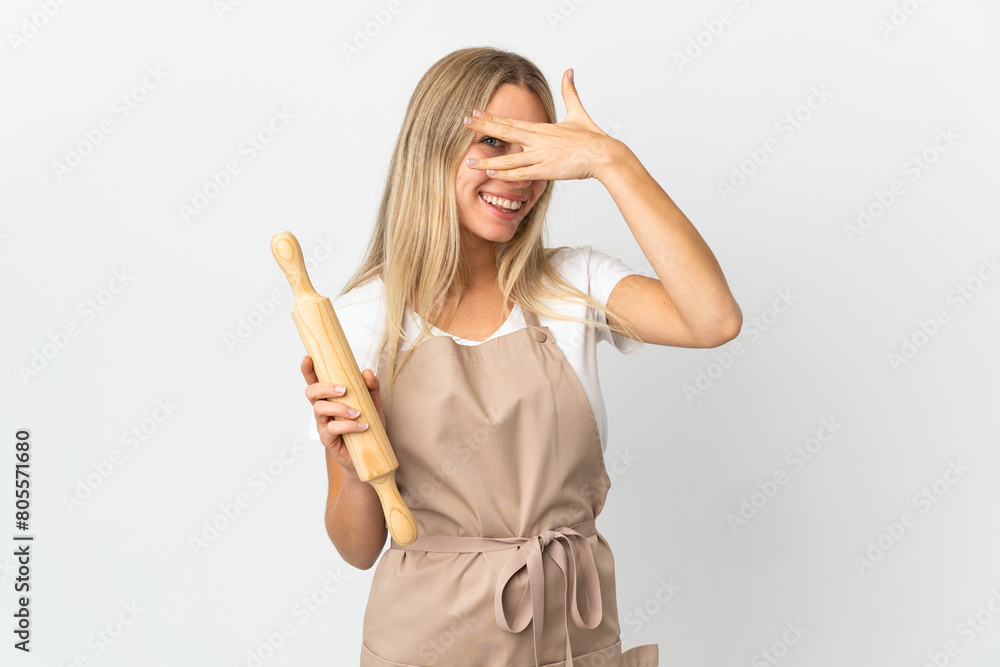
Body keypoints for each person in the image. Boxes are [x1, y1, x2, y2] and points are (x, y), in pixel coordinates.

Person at [302, 46, 741, 667]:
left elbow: (714, 319)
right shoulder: (359, 321)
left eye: (533, 150)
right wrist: (349, 468)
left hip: (569, 635)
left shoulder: (573, 285)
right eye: (493, 144)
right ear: (431, 148)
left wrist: (611, 161)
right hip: (428, 644)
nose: (517, 177)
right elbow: (357, 548)